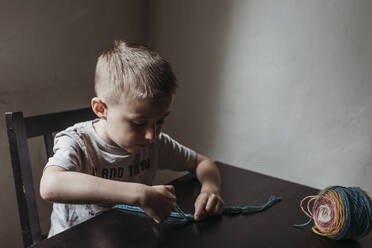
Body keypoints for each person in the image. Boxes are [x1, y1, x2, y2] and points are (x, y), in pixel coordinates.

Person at [40, 40, 224, 237]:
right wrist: (139, 194)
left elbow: (202, 163)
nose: (151, 134)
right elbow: (50, 185)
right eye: (138, 123)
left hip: (125, 237)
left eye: (160, 121)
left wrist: (210, 190)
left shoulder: (155, 143)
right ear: (101, 109)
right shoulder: (78, 143)